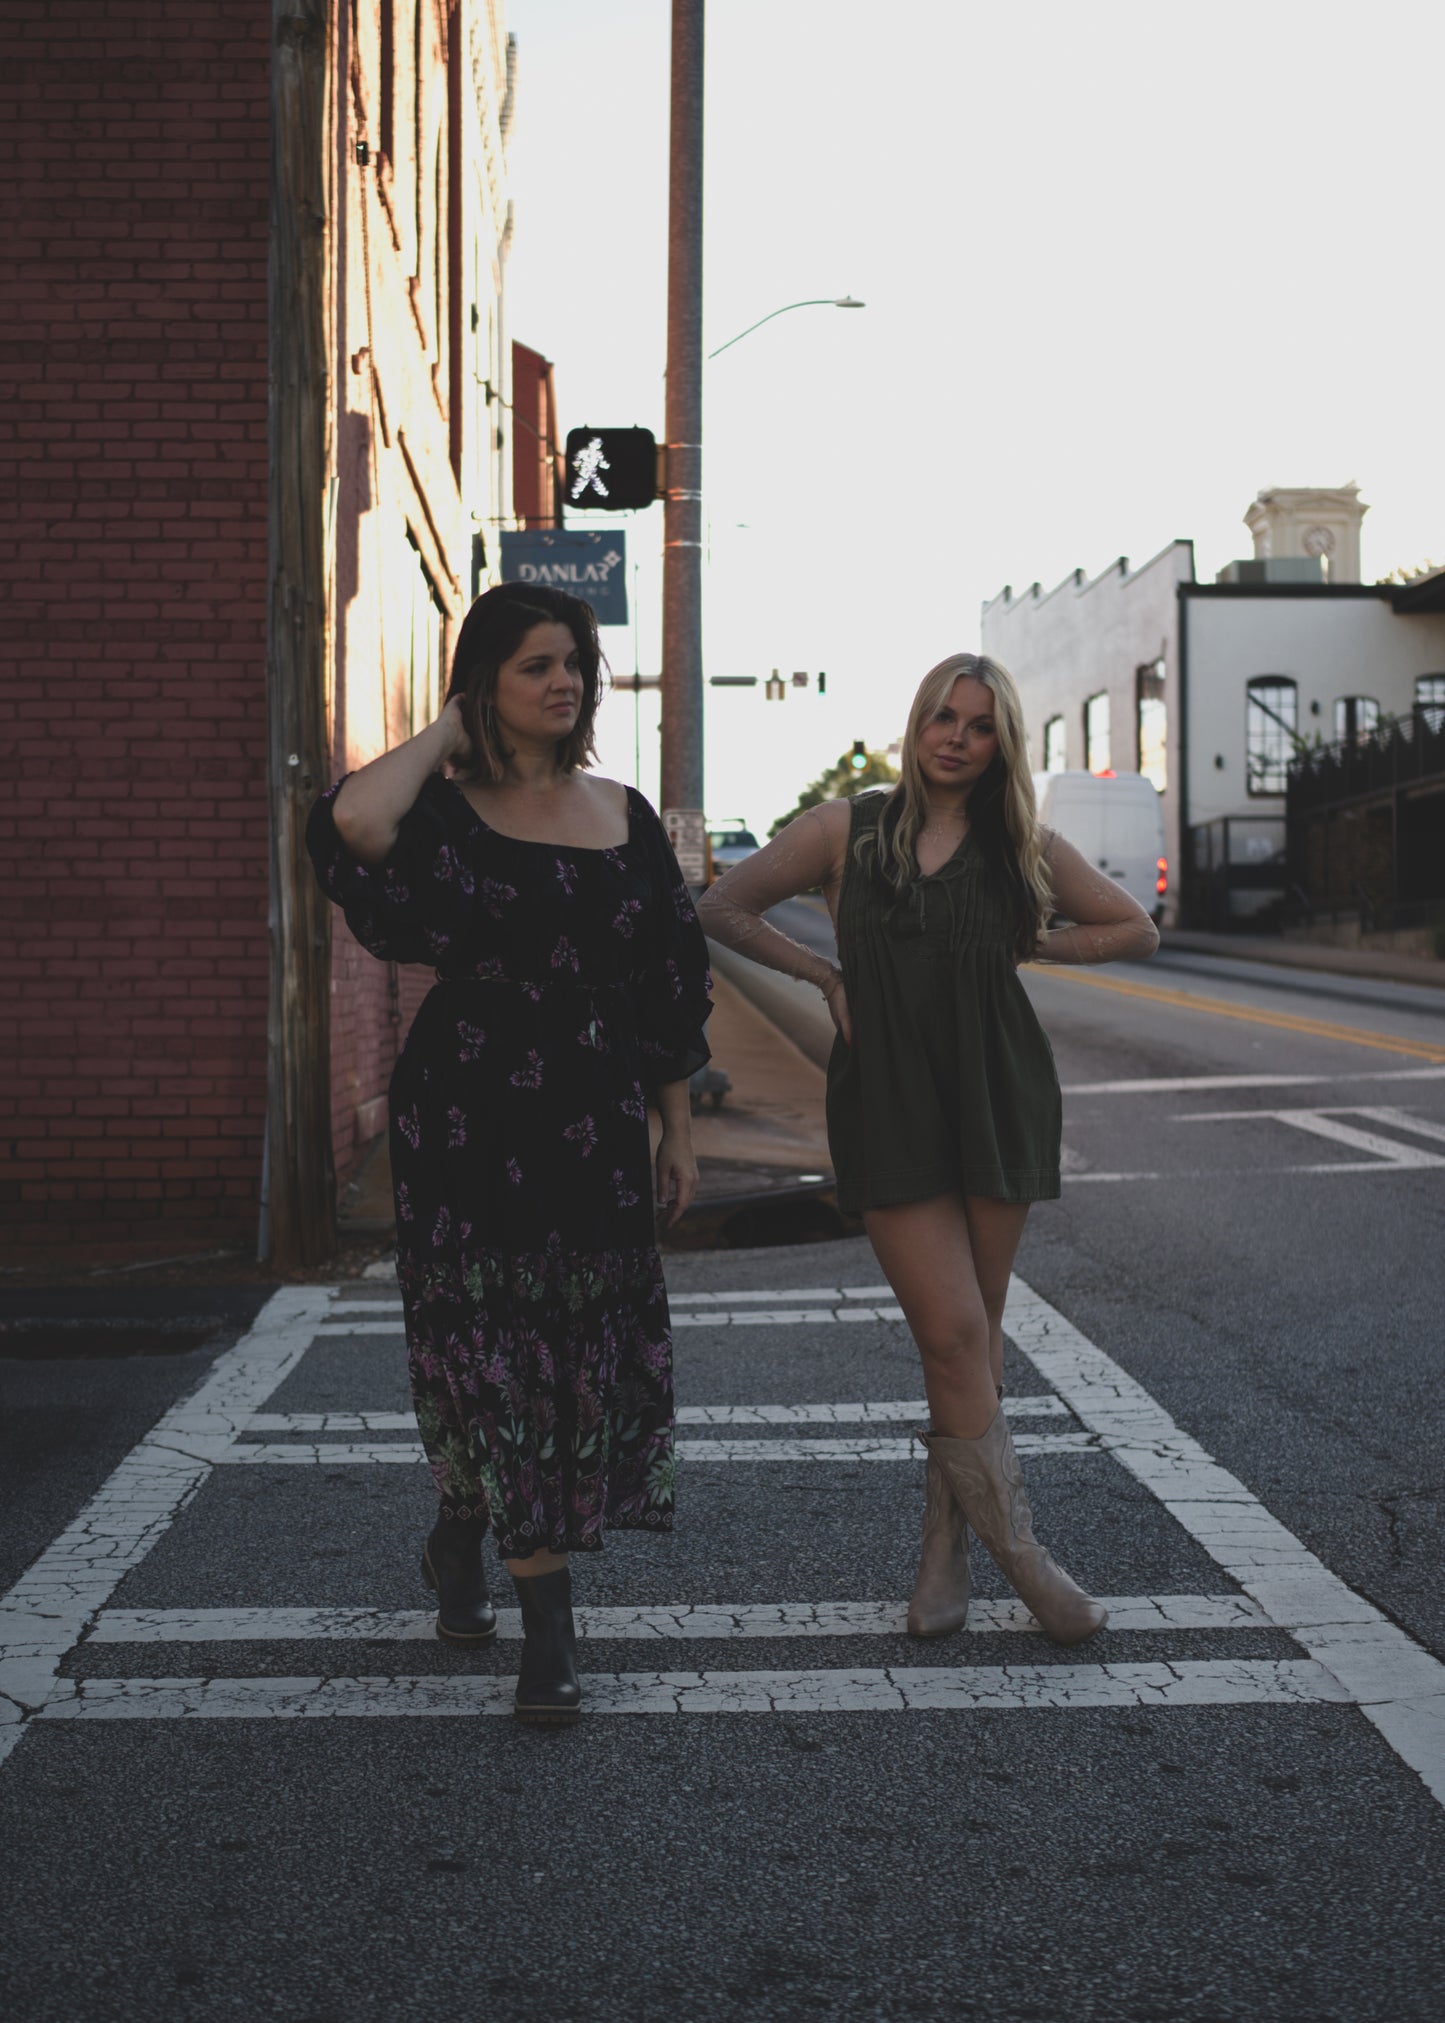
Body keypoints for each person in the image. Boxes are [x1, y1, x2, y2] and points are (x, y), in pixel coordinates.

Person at [306, 583, 712, 1720]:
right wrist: (448, 723)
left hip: (591, 1116)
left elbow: (667, 983)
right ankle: (550, 1639)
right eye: (534, 664)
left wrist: (675, 1125)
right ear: (485, 680)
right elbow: (349, 824)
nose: (564, 681)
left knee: (565, 1355)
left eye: (574, 662)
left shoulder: (624, 816)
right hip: (468, 1112)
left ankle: (459, 1532)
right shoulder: (439, 811)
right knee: (490, 1347)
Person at [697, 653, 1158, 1645]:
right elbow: (719, 906)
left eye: (978, 724)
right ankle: (1027, 1564)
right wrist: (823, 976)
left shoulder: (1019, 841)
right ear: (914, 722)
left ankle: (941, 1556)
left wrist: (1030, 940)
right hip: (889, 1100)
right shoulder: (846, 826)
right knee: (951, 1335)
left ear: (1002, 743)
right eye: (940, 716)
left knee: (973, 1343)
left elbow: (1134, 928)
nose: (954, 735)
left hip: (998, 1093)